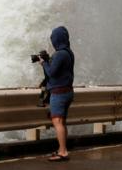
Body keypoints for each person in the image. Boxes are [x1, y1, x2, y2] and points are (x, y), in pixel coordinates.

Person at [38, 26, 74, 162]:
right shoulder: (69, 53)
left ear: (56, 40)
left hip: (59, 93)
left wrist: (44, 63)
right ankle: (62, 149)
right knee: (62, 122)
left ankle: (63, 152)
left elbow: (52, 73)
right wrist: (48, 61)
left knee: (57, 122)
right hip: (68, 91)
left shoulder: (59, 54)